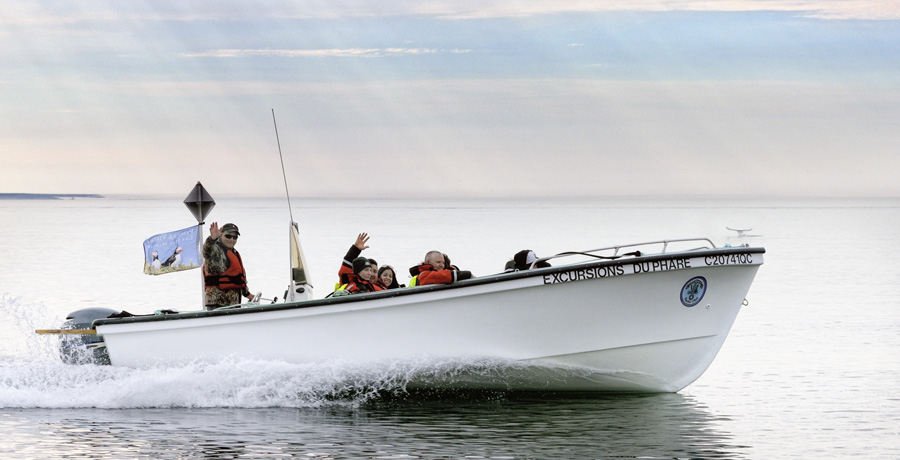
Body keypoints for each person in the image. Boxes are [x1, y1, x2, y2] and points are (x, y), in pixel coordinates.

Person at [203, 222, 253, 310]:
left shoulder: (234, 253)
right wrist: (212, 239)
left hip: (233, 303)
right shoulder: (215, 250)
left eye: (235, 237)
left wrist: (247, 294)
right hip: (218, 303)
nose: (232, 239)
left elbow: (238, 279)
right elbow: (207, 250)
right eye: (228, 236)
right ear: (221, 235)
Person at [409, 250, 473, 286]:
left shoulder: (421, 274)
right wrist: (469, 274)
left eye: (443, 263)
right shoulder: (424, 275)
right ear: (428, 262)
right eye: (438, 262)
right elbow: (444, 276)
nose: (442, 265)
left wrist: (454, 269)